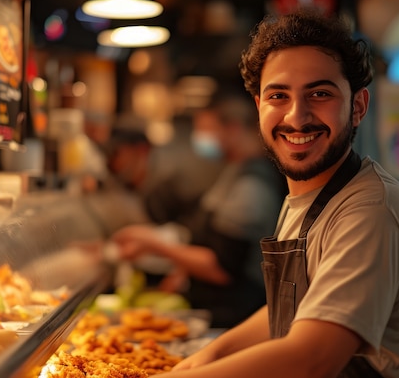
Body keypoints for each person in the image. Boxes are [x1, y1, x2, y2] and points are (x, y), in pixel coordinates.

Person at [157, 9, 399, 378]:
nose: (297, 116)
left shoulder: (371, 211)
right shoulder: (307, 198)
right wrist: (209, 355)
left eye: (320, 93)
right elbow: (298, 306)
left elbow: (313, 357)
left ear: (357, 107)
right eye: (278, 95)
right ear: (260, 107)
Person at [110, 86, 287, 328]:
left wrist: (154, 245)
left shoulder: (252, 186)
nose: (199, 138)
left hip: (236, 318)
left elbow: (221, 268)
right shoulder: (234, 170)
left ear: (233, 129)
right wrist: (183, 270)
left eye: (206, 129)